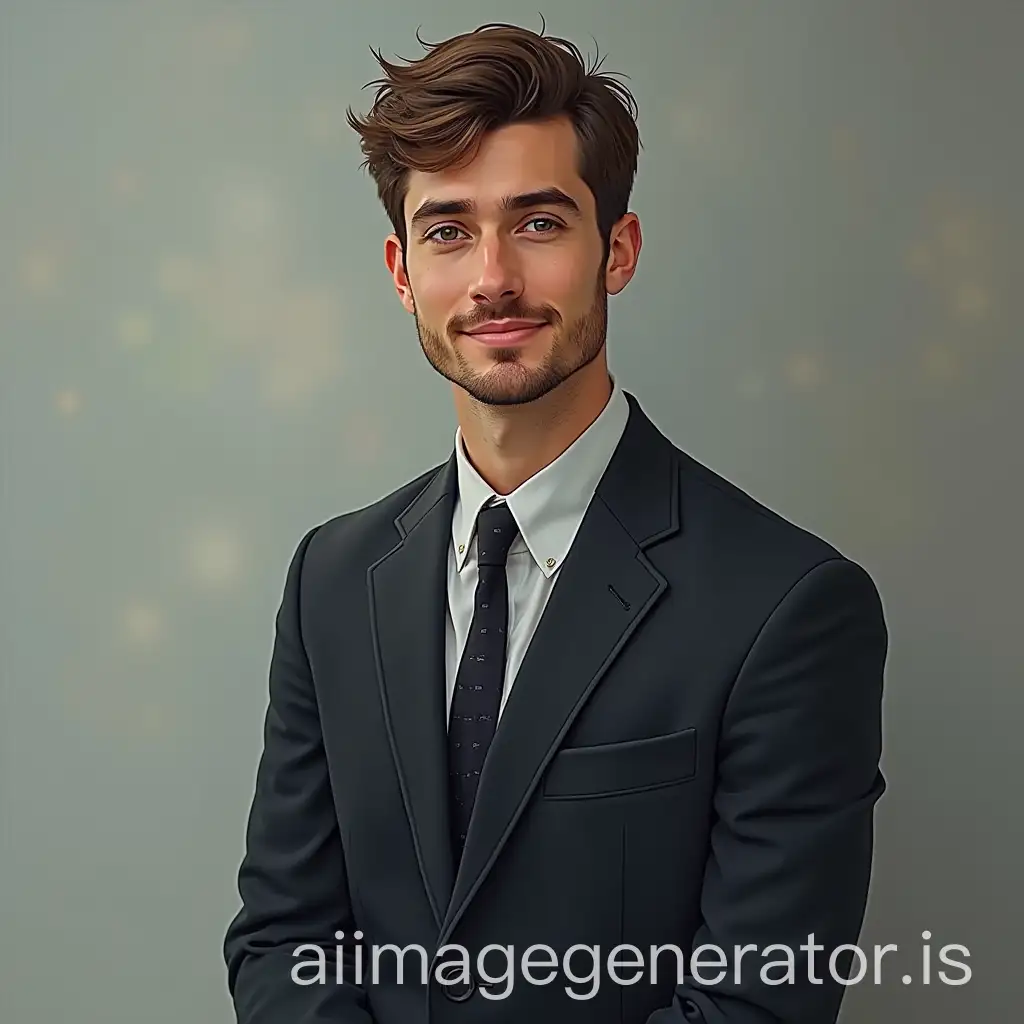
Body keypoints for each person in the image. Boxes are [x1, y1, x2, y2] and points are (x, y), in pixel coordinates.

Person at [223, 22, 887, 1024]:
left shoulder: (786, 608)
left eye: (537, 223)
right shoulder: (330, 579)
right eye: (449, 230)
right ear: (403, 273)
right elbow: (284, 940)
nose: (492, 276)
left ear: (614, 250)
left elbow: (755, 1005)